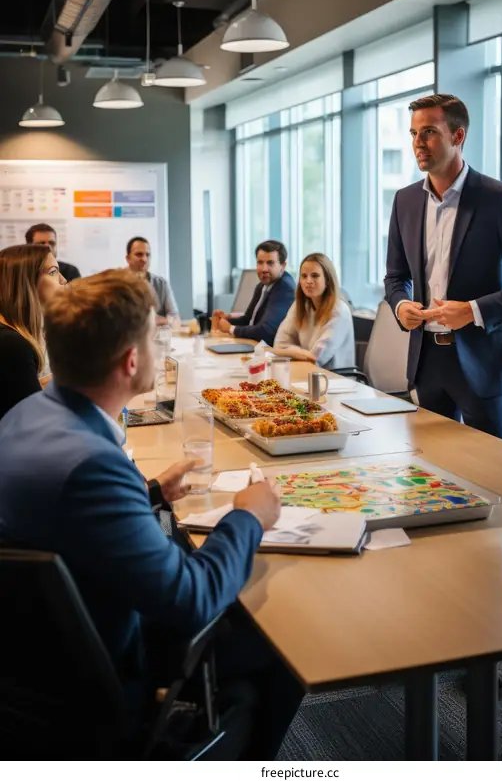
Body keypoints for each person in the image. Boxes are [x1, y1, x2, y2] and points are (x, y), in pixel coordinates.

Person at [0, 269, 302, 759]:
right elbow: (192, 598)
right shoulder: (93, 463)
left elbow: (72, 515)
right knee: (281, 640)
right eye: (153, 340)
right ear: (132, 360)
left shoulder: (27, 414)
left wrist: (154, 490)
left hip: (34, 658)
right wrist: (247, 516)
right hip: (101, 674)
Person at [384, 92, 502, 442]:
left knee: (491, 476)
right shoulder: (405, 201)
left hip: (485, 359)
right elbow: (395, 276)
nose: (419, 142)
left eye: (429, 132)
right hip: (427, 359)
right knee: (431, 473)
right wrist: (401, 306)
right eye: (414, 134)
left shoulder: (499, 198)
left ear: (458, 136)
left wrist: (474, 310)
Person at [0, 244, 66, 420]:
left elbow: (22, 391)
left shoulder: (13, 337)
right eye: (53, 272)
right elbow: (35, 420)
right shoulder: (11, 344)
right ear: (26, 281)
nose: (63, 280)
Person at [274, 253, 355, 369]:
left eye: (315, 276)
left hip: (335, 380)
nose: (308, 281)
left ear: (327, 280)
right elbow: (279, 345)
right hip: (306, 372)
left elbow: (315, 357)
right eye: (304, 276)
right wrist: (301, 353)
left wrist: (292, 352)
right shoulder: (300, 306)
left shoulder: (339, 311)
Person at [212, 240, 295, 346]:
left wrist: (231, 329)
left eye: (270, 263)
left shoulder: (284, 288)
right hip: (257, 348)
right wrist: (225, 320)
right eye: (260, 262)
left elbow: (266, 331)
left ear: (283, 266)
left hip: (274, 354)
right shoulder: (262, 285)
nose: (264, 269)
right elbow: (249, 320)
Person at [125, 236, 179, 325]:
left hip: (158, 337)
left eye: (148, 255)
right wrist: (161, 320)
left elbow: (175, 318)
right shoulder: (118, 285)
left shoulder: (161, 284)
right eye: (139, 254)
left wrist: (154, 321)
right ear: (128, 258)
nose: (144, 259)